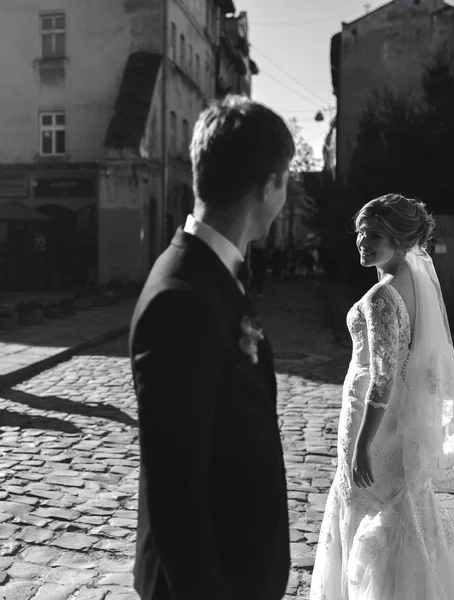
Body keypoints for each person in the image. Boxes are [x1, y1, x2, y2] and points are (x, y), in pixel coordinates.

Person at [129, 95, 294, 600]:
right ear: (267, 187)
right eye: (285, 181)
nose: (284, 195)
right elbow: (175, 493)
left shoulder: (210, 270)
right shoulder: (181, 297)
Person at [310, 194, 454, 600]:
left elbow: (382, 380)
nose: (363, 241)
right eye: (361, 233)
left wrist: (363, 445)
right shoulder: (415, 287)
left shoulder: (382, 298)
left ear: (401, 240)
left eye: (375, 234)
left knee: (368, 505)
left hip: (374, 426)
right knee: (405, 511)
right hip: (397, 424)